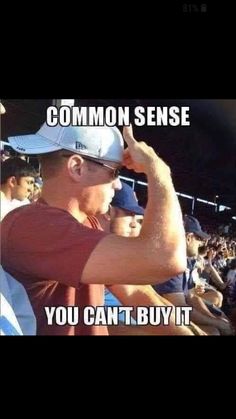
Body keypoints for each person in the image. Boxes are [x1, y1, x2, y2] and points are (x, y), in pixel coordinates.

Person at [1, 123, 187, 335]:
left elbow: (136, 292)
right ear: (77, 168)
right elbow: (167, 258)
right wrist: (158, 170)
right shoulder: (32, 225)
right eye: (114, 172)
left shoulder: (88, 223)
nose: (117, 185)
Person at [101, 182, 193, 335]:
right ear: (107, 213)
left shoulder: (122, 257)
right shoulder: (84, 252)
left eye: (138, 219)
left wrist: (188, 328)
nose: (134, 225)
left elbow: (148, 297)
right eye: (130, 215)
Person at [153, 215, 234, 335]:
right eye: (199, 238)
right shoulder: (171, 262)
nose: (202, 243)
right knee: (213, 332)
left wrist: (215, 319)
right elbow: (180, 308)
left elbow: (192, 297)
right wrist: (215, 323)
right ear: (189, 238)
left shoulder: (187, 260)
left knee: (221, 318)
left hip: (178, 310)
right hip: (161, 316)